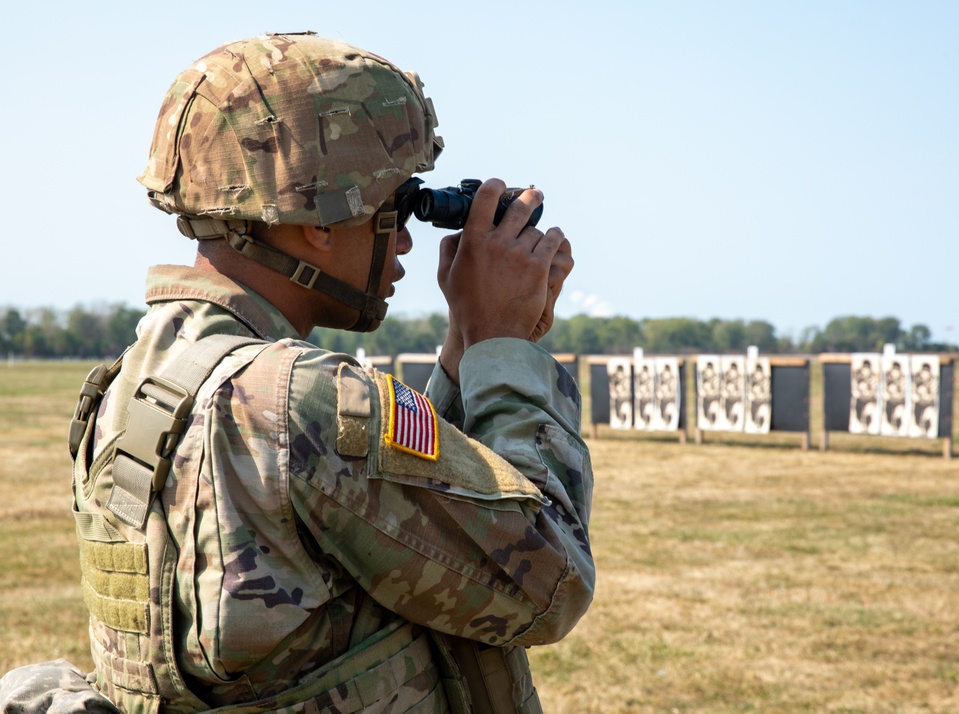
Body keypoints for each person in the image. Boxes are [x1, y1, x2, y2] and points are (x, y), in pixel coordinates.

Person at [1, 32, 594, 714]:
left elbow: (397, 520)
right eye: (395, 207)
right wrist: (503, 346)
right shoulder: (301, 402)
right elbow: (549, 584)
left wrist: (463, 347)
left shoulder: (137, 383)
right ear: (318, 221)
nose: (404, 239)